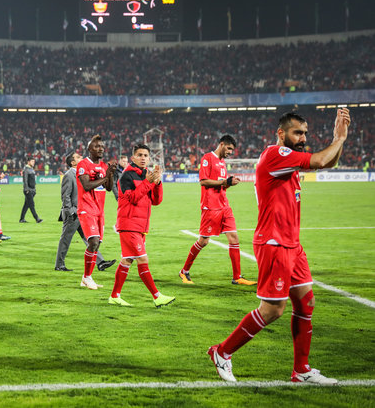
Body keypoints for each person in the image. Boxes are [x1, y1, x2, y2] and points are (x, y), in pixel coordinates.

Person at [208, 109, 351, 384]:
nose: (303, 138)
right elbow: (321, 160)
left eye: (305, 133)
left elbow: (328, 163)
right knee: (273, 310)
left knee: (305, 302)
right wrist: (339, 138)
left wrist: (338, 140)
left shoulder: (289, 161)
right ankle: (222, 352)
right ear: (281, 133)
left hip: (291, 244)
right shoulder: (276, 155)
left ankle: (301, 370)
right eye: (298, 133)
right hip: (274, 243)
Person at [179, 135, 256, 286]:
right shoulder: (208, 158)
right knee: (204, 241)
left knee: (234, 238)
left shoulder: (222, 163)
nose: (230, 152)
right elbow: (203, 181)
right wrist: (223, 181)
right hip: (211, 206)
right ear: (221, 144)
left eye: (232, 150)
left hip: (224, 205)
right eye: (228, 149)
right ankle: (184, 271)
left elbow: (222, 185)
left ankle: (237, 277)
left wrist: (229, 183)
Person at [109, 144, 175, 307]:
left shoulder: (147, 174)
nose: (143, 158)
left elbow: (156, 201)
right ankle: (156, 296)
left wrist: (157, 183)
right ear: (133, 158)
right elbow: (132, 198)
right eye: (140, 155)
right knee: (142, 258)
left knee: (127, 260)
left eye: (146, 155)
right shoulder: (127, 176)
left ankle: (114, 296)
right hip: (129, 223)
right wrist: (148, 182)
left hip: (141, 226)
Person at [55, 153, 116, 272]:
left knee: (91, 239)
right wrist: (71, 211)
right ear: (72, 163)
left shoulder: (83, 173)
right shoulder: (69, 175)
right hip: (73, 214)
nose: (81, 158)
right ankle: (59, 265)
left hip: (84, 213)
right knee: (66, 239)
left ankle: (100, 262)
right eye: (78, 157)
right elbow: (65, 195)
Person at [77, 135, 117, 290]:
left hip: (100, 210)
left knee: (97, 244)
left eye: (102, 146)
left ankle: (86, 277)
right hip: (86, 208)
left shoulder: (103, 166)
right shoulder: (83, 164)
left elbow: (108, 188)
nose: (100, 148)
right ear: (89, 149)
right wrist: (105, 177)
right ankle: (87, 277)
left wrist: (110, 174)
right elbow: (86, 185)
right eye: (97, 146)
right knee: (92, 242)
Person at [20, 157, 42, 223]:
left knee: (26, 205)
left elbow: (33, 180)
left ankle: (21, 219)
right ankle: (37, 218)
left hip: (32, 190)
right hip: (28, 190)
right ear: (28, 162)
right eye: (32, 161)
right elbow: (25, 180)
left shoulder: (31, 169)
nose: (33, 163)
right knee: (31, 204)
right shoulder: (26, 170)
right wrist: (26, 189)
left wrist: (34, 189)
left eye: (34, 161)